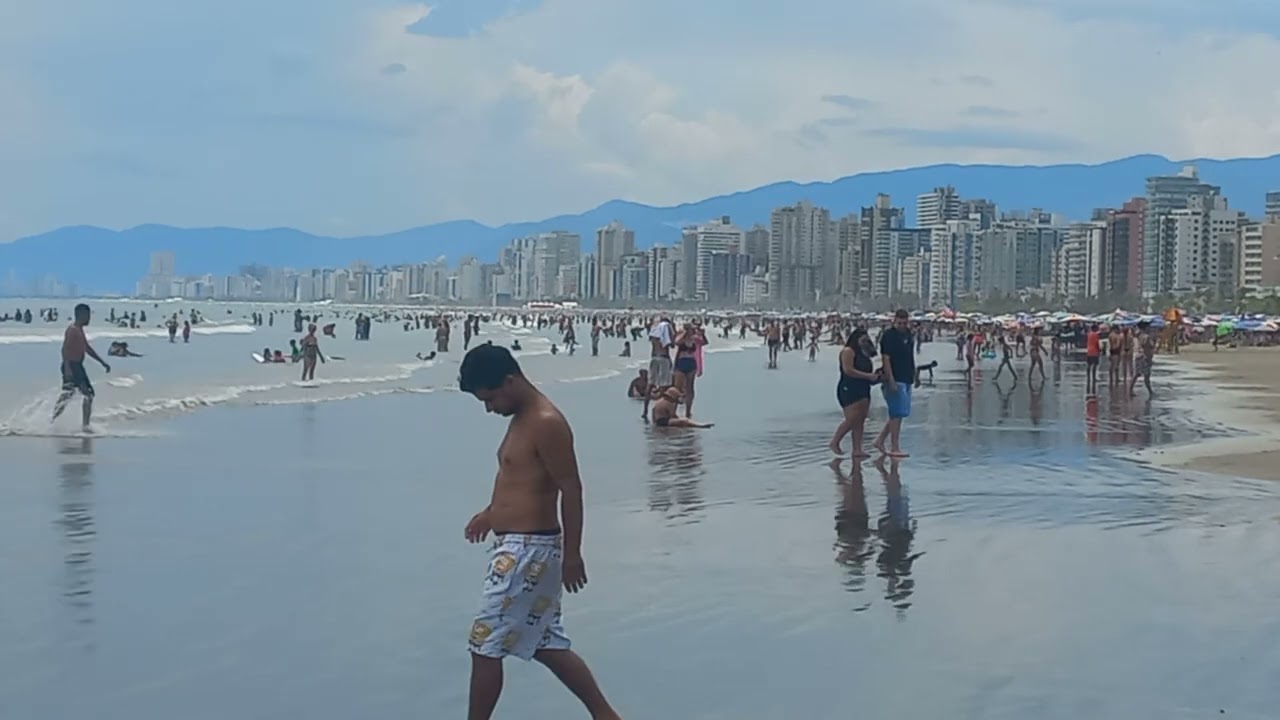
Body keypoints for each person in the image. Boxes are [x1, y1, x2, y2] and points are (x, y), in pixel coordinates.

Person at [456, 345, 623, 720]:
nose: (489, 408)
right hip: (520, 546)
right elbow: (522, 481)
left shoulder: (545, 421)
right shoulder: (521, 417)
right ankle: (606, 715)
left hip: (528, 551)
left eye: (490, 398)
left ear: (511, 381)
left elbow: (571, 488)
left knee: (483, 645)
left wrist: (574, 555)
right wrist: (490, 514)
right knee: (545, 641)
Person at [53, 303, 110, 431]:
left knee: (70, 394)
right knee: (86, 394)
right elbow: (65, 349)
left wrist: (102, 362)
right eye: (88, 315)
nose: (89, 318)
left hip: (77, 366)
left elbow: (87, 349)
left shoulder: (79, 330)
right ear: (81, 315)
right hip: (72, 366)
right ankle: (84, 426)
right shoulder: (72, 330)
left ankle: (56, 420)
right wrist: (67, 368)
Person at [829, 328, 879, 457]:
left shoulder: (864, 353)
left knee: (861, 420)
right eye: (862, 340)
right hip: (849, 387)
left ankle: (857, 449)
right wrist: (868, 376)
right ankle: (835, 442)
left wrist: (876, 376)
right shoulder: (848, 351)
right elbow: (848, 370)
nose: (864, 343)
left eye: (866, 340)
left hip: (864, 387)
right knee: (852, 419)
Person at [873, 309, 914, 458]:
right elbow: (886, 359)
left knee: (900, 413)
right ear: (894, 321)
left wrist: (914, 374)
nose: (902, 325)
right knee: (895, 413)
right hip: (895, 378)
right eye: (900, 323)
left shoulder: (908, 334)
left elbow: (910, 356)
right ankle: (894, 447)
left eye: (904, 323)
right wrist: (890, 380)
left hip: (906, 376)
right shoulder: (889, 336)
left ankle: (880, 440)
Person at [644, 316, 675, 420]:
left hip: (654, 357)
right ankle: (659, 408)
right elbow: (671, 344)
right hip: (664, 358)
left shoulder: (654, 333)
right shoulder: (666, 329)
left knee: (650, 383)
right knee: (663, 385)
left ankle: (645, 410)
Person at [672, 322, 704, 418]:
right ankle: (673, 410)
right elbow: (677, 342)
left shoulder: (694, 338)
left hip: (691, 362)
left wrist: (699, 333)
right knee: (677, 387)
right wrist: (685, 333)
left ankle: (688, 410)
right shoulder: (681, 335)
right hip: (681, 362)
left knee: (690, 387)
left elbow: (702, 342)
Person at [1129, 321, 1156, 397]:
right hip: (1144, 357)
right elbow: (1147, 349)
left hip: (1138, 356)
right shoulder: (1146, 337)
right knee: (1146, 375)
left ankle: (1131, 389)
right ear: (1145, 328)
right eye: (1148, 327)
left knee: (1137, 374)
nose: (1150, 329)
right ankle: (1150, 392)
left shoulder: (1138, 335)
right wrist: (1149, 359)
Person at [1085, 323, 1102, 395]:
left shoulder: (1089, 334)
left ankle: (1088, 377)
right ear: (1095, 329)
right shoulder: (1095, 335)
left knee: (1089, 365)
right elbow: (1096, 343)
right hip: (1094, 352)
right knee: (1094, 365)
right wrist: (1099, 349)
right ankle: (1093, 377)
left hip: (1089, 351)